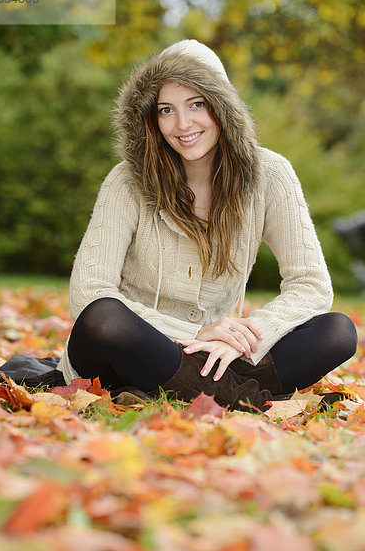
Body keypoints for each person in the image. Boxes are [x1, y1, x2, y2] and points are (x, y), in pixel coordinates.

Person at [54, 39, 357, 411]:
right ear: (151, 117)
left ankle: (193, 390)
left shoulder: (271, 175)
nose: (183, 124)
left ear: (222, 107)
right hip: (133, 346)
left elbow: (311, 284)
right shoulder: (126, 181)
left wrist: (239, 338)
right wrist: (195, 334)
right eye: (166, 109)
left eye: (197, 104)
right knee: (103, 318)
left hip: (218, 355)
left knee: (337, 331)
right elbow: (88, 292)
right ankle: (250, 399)